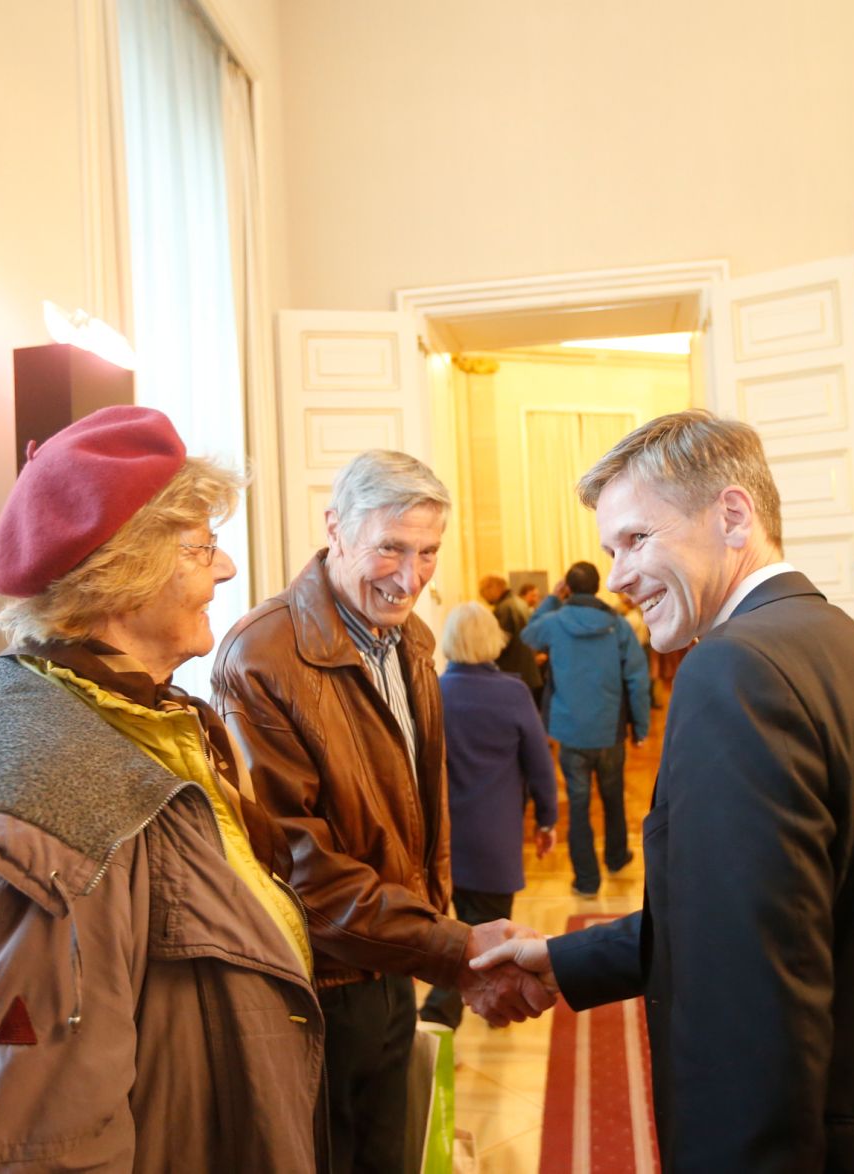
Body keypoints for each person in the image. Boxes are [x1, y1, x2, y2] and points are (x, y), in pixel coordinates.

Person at [473, 410, 854, 1172]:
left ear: (732, 514)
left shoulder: (734, 670)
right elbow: (785, 911)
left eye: (636, 539)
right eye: (609, 550)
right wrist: (568, 958)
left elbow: (750, 1006)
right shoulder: (845, 646)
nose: (617, 577)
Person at [0, 407, 323, 1172]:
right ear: (126, 572)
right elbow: (23, 1149)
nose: (225, 571)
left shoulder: (148, 726)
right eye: (202, 548)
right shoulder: (42, 812)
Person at [212, 450, 542, 1174]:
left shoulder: (413, 642)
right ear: (336, 527)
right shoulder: (261, 655)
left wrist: (429, 940)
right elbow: (297, 865)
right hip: (321, 984)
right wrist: (455, 948)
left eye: (427, 552)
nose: (411, 576)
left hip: (391, 962)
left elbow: (420, 813)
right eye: (390, 547)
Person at [417, 602, 560, 1029]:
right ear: (493, 641)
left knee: (453, 935)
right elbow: (540, 765)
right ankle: (478, 1012)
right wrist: (547, 820)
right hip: (495, 841)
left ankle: (451, 1017)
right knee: (495, 935)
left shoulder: (434, 693)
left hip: (442, 841)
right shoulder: (512, 693)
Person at [521, 561, 651, 897]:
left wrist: (551, 599)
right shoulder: (617, 625)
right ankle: (617, 858)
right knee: (613, 798)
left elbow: (528, 634)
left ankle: (587, 880)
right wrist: (641, 726)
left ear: (568, 587)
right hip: (609, 731)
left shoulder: (554, 621)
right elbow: (638, 679)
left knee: (578, 805)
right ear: (597, 586)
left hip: (570, 731)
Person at [479, 573, 543, 695]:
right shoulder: (520, 603)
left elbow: (498, 644)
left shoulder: (504, 608)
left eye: (483, 591)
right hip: (528, 674)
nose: (483, 597)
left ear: (493, 588)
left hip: (513, 673)